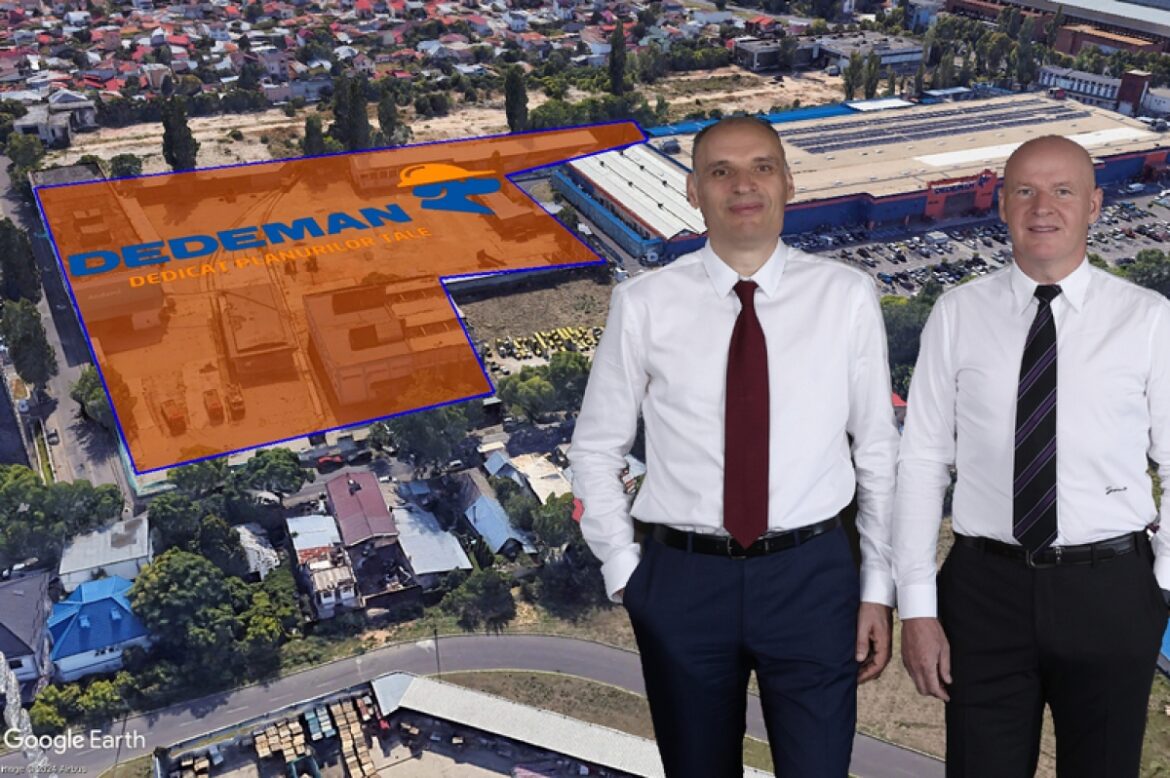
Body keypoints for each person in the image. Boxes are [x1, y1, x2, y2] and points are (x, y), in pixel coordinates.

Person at [569, 116, 900, 778]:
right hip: (683, 583)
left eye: (761, 167)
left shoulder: (846, 296)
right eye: (721, 171)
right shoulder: (644, 304)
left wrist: (876, 585)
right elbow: (595, 449)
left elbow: (877, 450)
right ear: (694, 191)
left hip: (813, 580)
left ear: (789, 183)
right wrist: (625, 572)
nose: (743, 185)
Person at [894, 134, 1170, 777]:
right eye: (1025, 191)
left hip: (1110, 590)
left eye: (1063, 191)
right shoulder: (957, 314)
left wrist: (1161, 586)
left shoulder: (1149, 319)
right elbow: (923, 462)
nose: (1043, 207)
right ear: (1002, 205)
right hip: (983, 595)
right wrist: (918, 606)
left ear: (1094, 206)